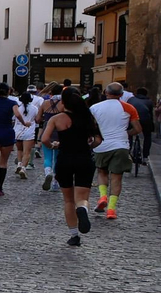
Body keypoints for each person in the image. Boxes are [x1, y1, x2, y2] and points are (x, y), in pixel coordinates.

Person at [41, 86, 99, 246]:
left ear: (64, 102)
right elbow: (98, 140)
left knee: (68, 200)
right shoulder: (88, 117)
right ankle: (83, 209)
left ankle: (74, 235)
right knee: (82, 197)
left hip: (65, 159)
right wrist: (88, 145)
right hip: (84, 159)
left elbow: (44, 139)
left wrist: (54, 145)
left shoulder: (57, 119)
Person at [88, 82, 141, 221]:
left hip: (102, 145)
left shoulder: (94, 108)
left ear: (105, 92)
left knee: (101, 171)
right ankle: (111, 209)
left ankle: (102, 196)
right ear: (122, 94)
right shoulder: (129, 108)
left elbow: (90, 127)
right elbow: (137, 129)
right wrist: (126, 133)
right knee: (117, 177)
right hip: (121, 145)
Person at [12, 87, 40, 180]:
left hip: (17, 131)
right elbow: (37, 119)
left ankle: (19, 164)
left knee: (19, 150)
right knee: (26, 152)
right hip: (29, 132)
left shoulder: (18, 108)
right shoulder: (35, 108)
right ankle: (23, 168)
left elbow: (13, 118)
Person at [130, 87, 154, 165]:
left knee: (128, 134)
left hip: (132, 120)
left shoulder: (131, 100)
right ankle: (145, 157)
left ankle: (128, 152)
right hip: (145, 120)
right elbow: (150, 114)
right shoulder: (149, 101)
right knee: (147, 136)